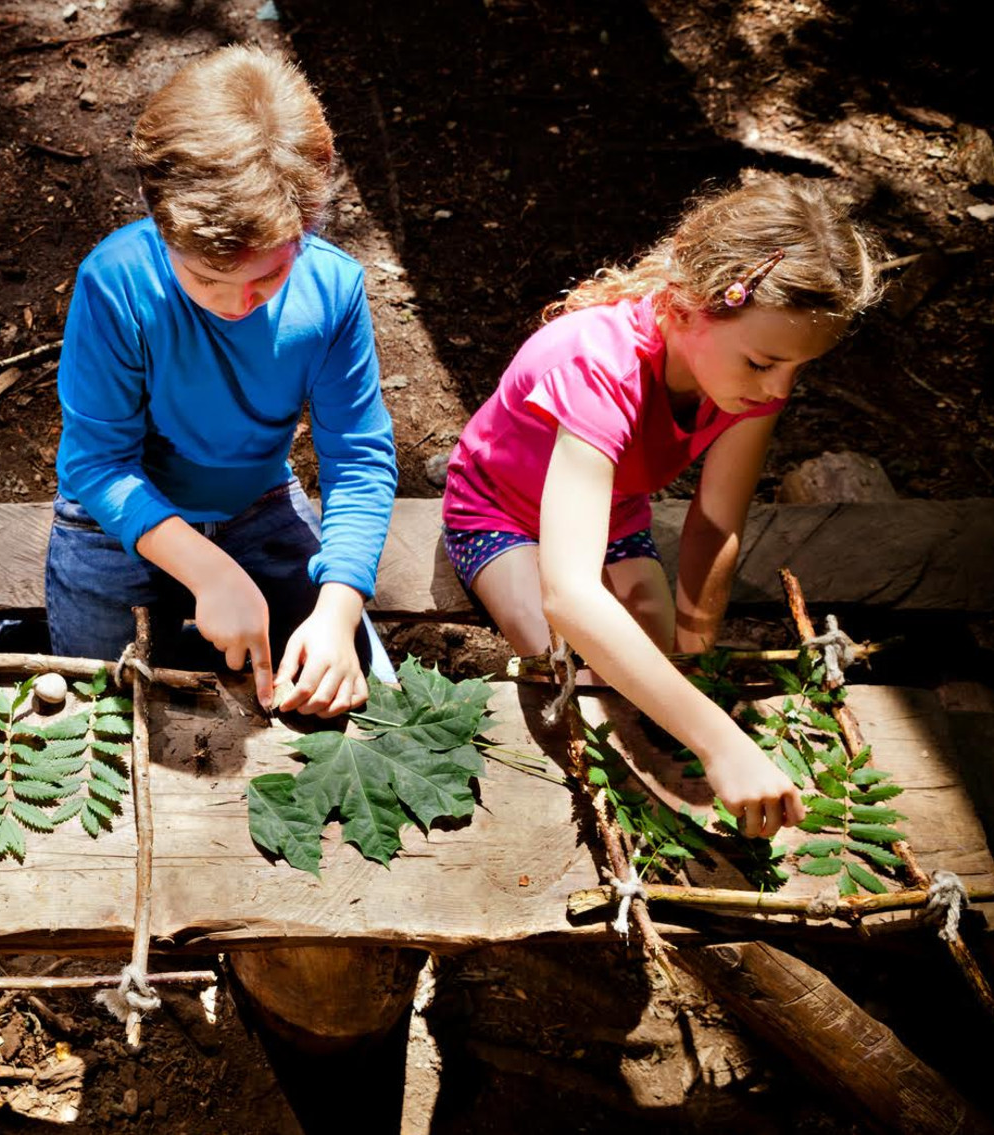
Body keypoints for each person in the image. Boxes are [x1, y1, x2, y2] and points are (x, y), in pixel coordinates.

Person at [441, 174, 882, 838]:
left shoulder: (749, 377)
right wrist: (722, 741)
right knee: (577, 681)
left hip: (611, 518)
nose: (778, 387)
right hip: (498, 513)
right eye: (764, 362)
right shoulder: (597, 366)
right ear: (685, 308)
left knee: (651, 678)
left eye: (796, 368)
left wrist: (693, 653)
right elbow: (569, 594)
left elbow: (713, 520)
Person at [47, 45, 398, 718]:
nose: (238, 304)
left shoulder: (331, 290)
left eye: (267, 278)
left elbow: (357, 459)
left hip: (257, 500)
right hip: (115, 521)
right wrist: (209, 570)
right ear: (156, 215)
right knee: (97, 717)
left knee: (358, 695)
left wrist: (337, 607)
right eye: (206, 278)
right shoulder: (118, 283)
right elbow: (95, 464)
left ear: (309, 222)